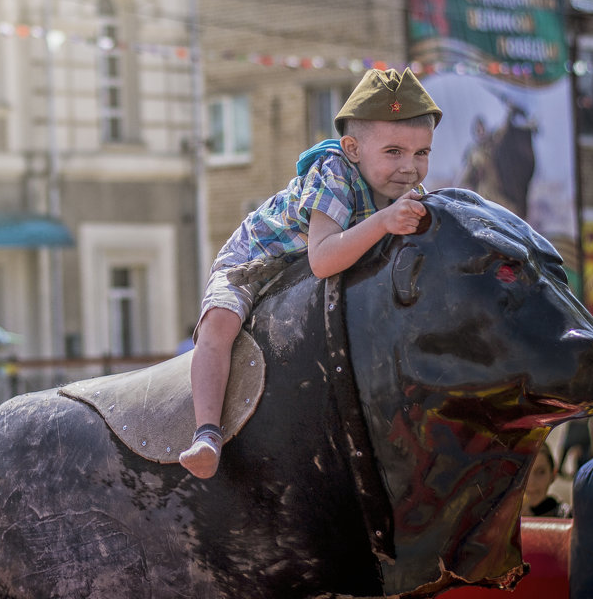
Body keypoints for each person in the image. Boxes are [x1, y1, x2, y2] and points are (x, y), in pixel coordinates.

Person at [180, 68, 441, 478]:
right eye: (394, 152)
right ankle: (207, 433)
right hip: (258, 259)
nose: (410, 167)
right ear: (352, 148)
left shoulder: (403, 193)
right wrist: (386, 221)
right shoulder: (334, 172)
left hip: (309, 280)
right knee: (220, 322)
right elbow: (322, 258)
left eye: (421, 153)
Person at [522, 442, 572, 518]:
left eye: (540, 472)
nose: (531, 482)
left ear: (553, 475)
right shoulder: (503, 517)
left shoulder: (565, 517)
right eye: (524, 472)